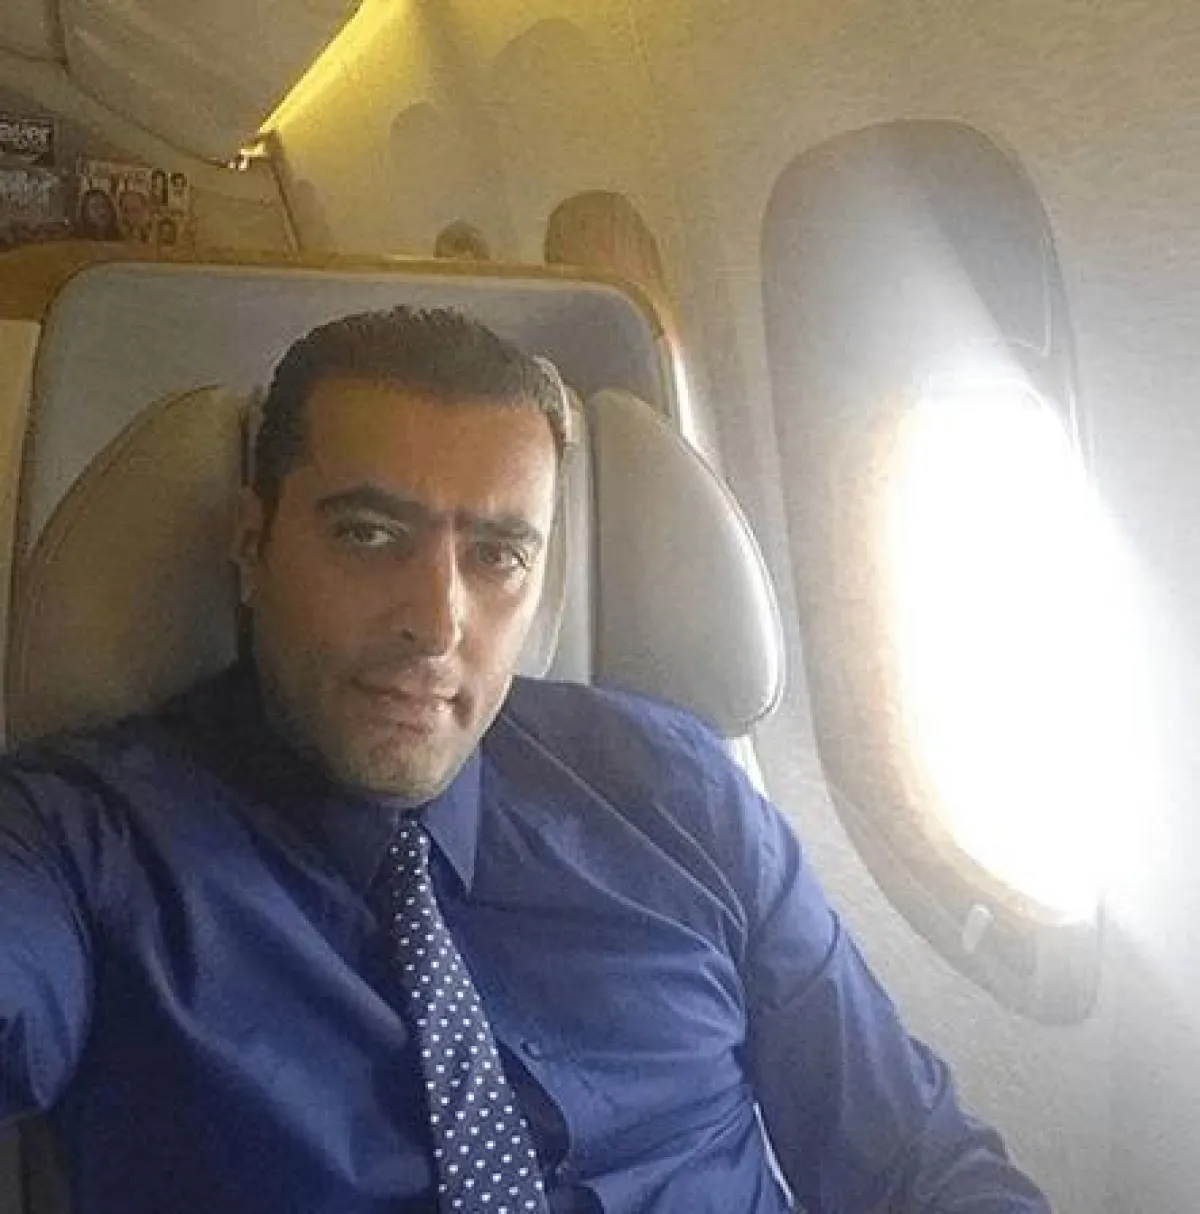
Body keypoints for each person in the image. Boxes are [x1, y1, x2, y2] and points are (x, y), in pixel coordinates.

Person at [0, 307, 1052, 1213]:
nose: (436, 623)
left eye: (497, 556)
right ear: (252, 543)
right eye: (368, 534)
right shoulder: (84, 841)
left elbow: (917, 1163)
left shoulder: (679, 793)